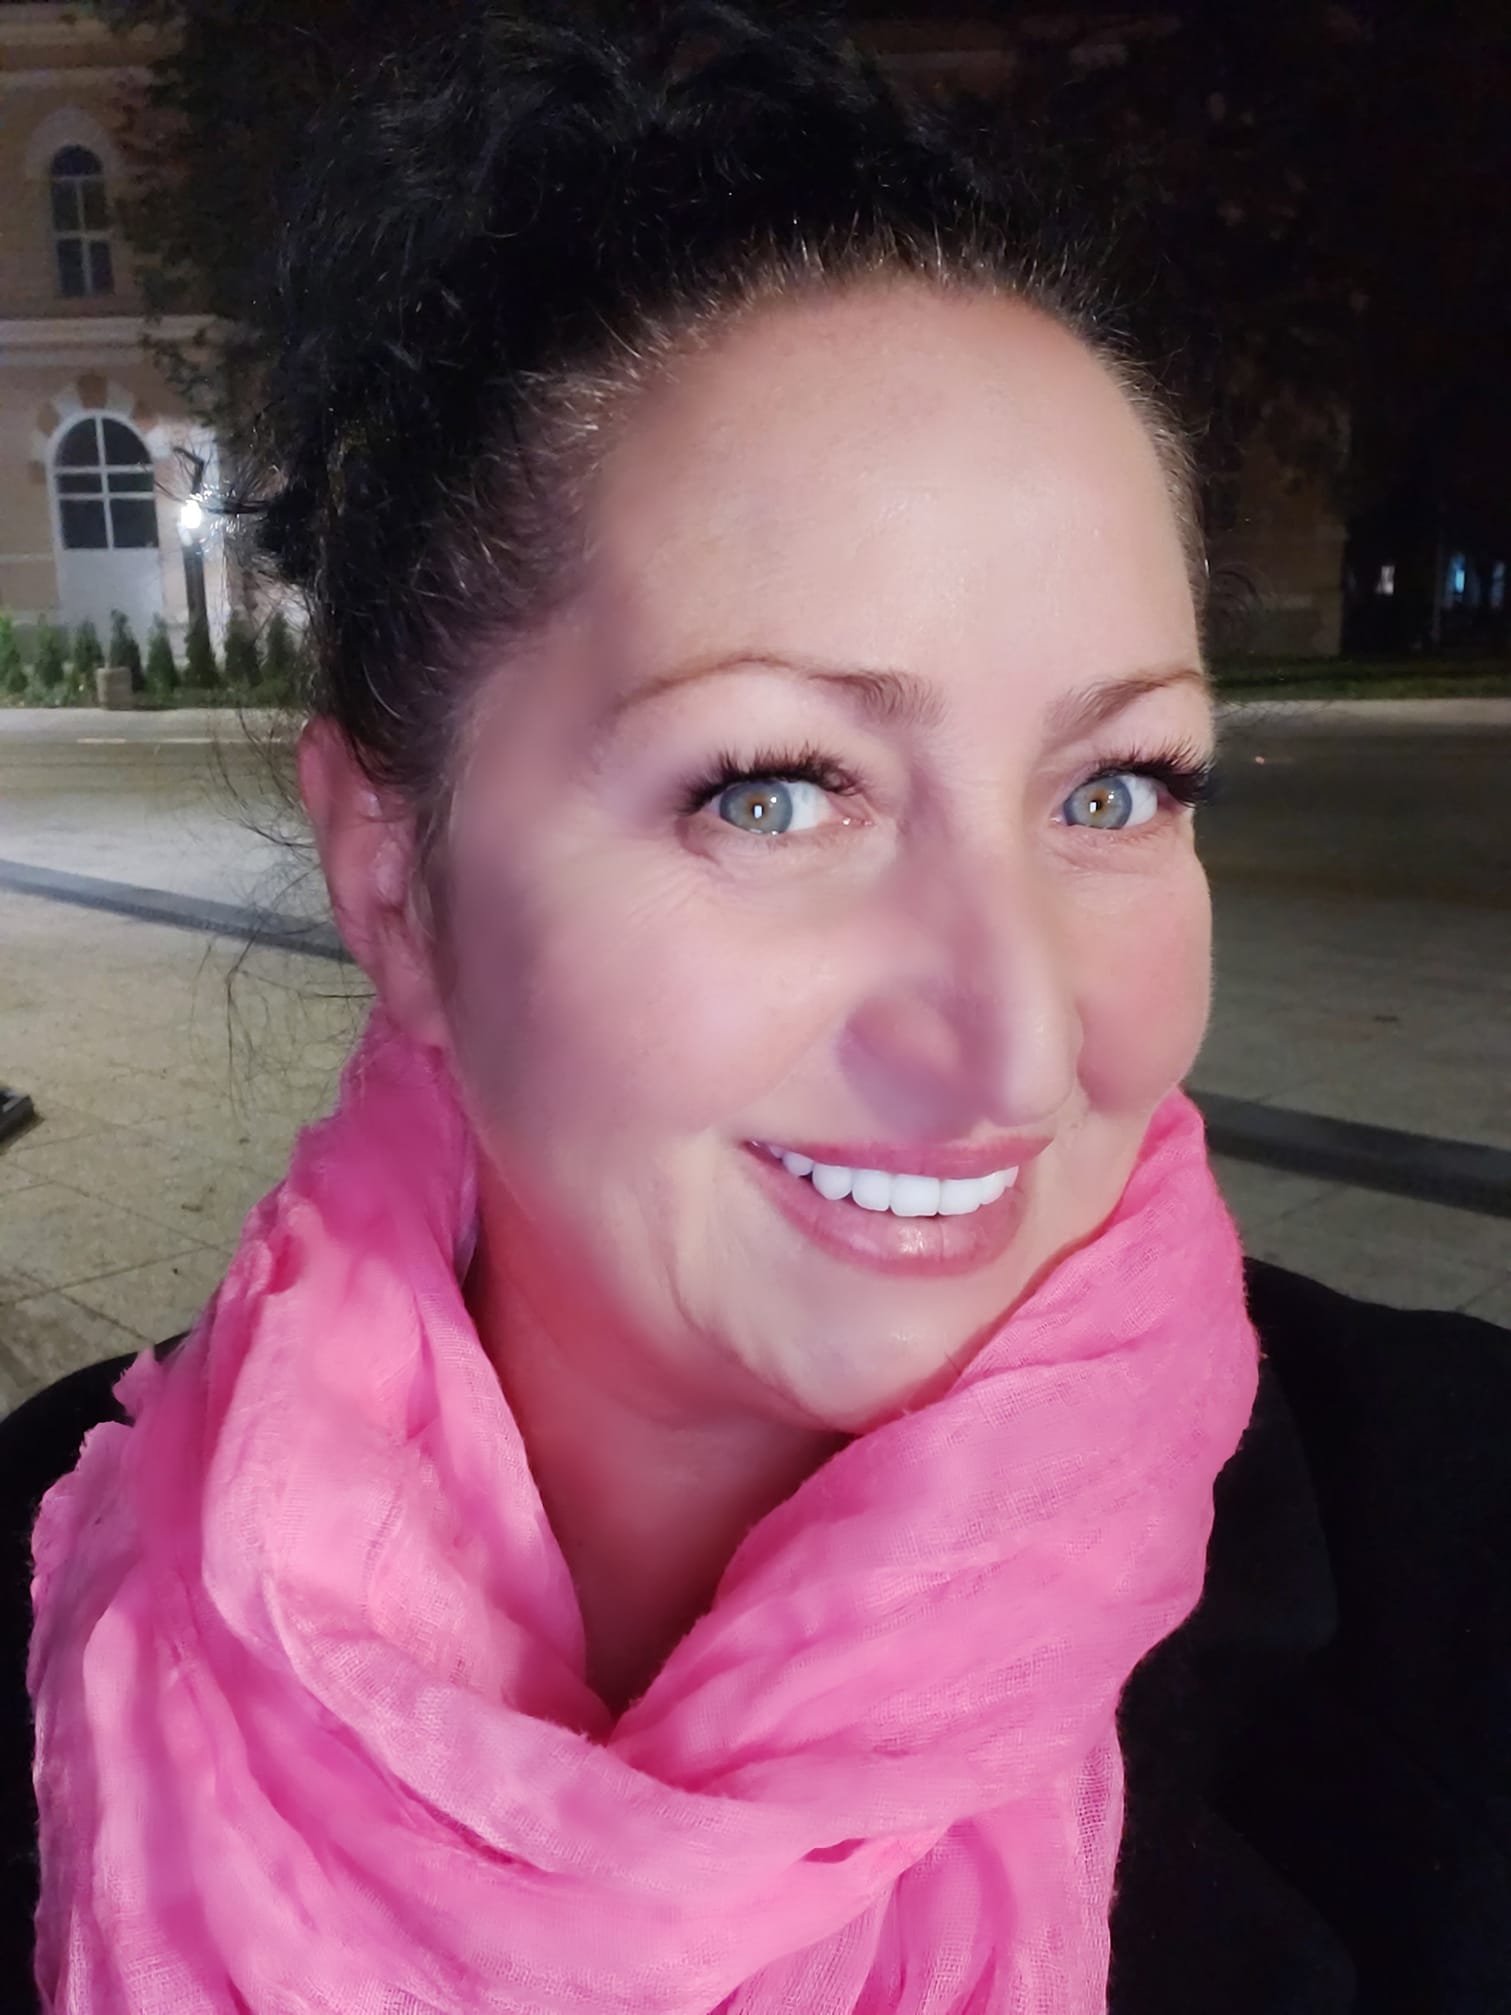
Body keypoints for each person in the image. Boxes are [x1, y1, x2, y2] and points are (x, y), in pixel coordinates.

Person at [2, 9, 1508, 2011]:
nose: (1019, 1045)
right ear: (397, 887)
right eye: (777, 792)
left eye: (1117, 790)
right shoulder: (43, 1594)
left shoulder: (1457, 1567)